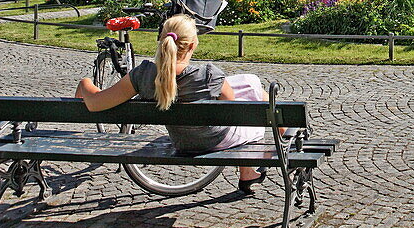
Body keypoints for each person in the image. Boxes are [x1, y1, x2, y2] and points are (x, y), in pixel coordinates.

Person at [75, 14, 270, 192]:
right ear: (193, 45)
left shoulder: (143, 74)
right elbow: (232, 111)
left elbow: (94, 103)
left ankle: (251, 170)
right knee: (256, 96)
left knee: (249, 83)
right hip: (215, 140)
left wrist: (84, 84)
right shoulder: (209, 75)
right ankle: (270, 152)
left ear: (161, 41)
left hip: (181, 141)